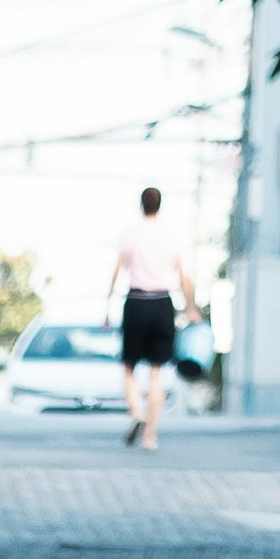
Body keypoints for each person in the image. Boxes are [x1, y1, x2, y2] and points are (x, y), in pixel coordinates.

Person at [111, 189, 197, 450]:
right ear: (160, 205)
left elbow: (117, 269)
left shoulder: (131, 234)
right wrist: (190, 307)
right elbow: (183, 277)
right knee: (156, 373)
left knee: (129, 368)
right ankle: (150, 436)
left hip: (136, 301)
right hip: (162, 303)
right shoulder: (171, 236)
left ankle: (137, 412)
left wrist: (107, 304)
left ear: (141, 205)